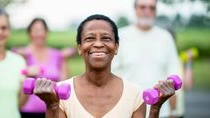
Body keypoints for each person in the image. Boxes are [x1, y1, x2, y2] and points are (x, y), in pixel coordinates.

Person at [33, 14, 176, 118]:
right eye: (90, 38)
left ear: (116, 47)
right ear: (79, 48)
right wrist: (52, 106)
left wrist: (155, 109)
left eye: (106, 38)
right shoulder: (61, 94)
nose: (98, 44)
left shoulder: (135, 94)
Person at [112, 0, 182, 117]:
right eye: (142, 7)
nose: (147, 11)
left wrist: (174, 110)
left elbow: (173, 72)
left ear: (156, 11)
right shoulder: (120, 36)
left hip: (162, 111)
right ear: (135, 9)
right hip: (128, 111)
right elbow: (112, 73)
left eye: (151, 8)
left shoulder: (165, 37)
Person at [13, 18, 73, 118]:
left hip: (53, 111)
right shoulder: (22, 54)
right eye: (36, 30)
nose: (39, 34)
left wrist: (64, 60)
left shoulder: (56, 55)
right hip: (28, 112)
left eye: (42, 30)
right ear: (29, 33)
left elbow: (64, 82)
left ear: (47, 32)